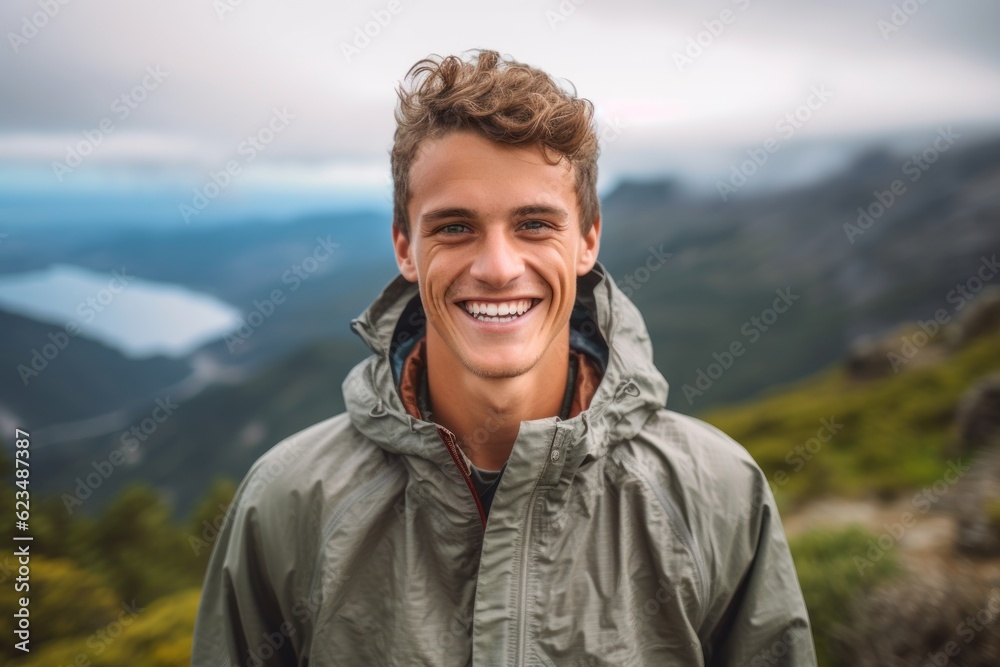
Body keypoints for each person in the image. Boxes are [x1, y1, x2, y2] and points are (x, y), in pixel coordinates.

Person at [191, 49, 816, 666]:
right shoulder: (286, 503)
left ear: (587, 241)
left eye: (535, 224)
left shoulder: (717, 492)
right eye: (455, 227)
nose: (497, 268)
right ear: (405, 248)